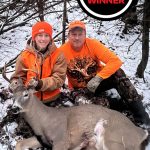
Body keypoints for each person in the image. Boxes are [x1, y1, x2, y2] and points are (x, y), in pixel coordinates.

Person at [59, 20, 150, 127]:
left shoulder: (92, 44)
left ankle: (142, 118)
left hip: (99, 82)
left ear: (85, 35)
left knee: (118, 73)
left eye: (80, 34)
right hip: (81, 89)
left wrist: (99, 78)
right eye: (74, 34)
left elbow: (115, 61)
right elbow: (58, 76)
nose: (77, 38)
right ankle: (117, 103)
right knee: (87, 107)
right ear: (69, 35)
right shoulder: (62, 52)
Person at [10, 21, 67, 103]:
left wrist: (40, 84)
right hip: (30, 100)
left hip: (53, 99)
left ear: (50, 38)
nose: (43, 39)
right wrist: (15, 84)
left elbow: (59, 79)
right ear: (34, 37)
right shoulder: (24, 56)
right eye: (40, 35)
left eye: (46, 35)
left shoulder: (58, 55)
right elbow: (18, 77)